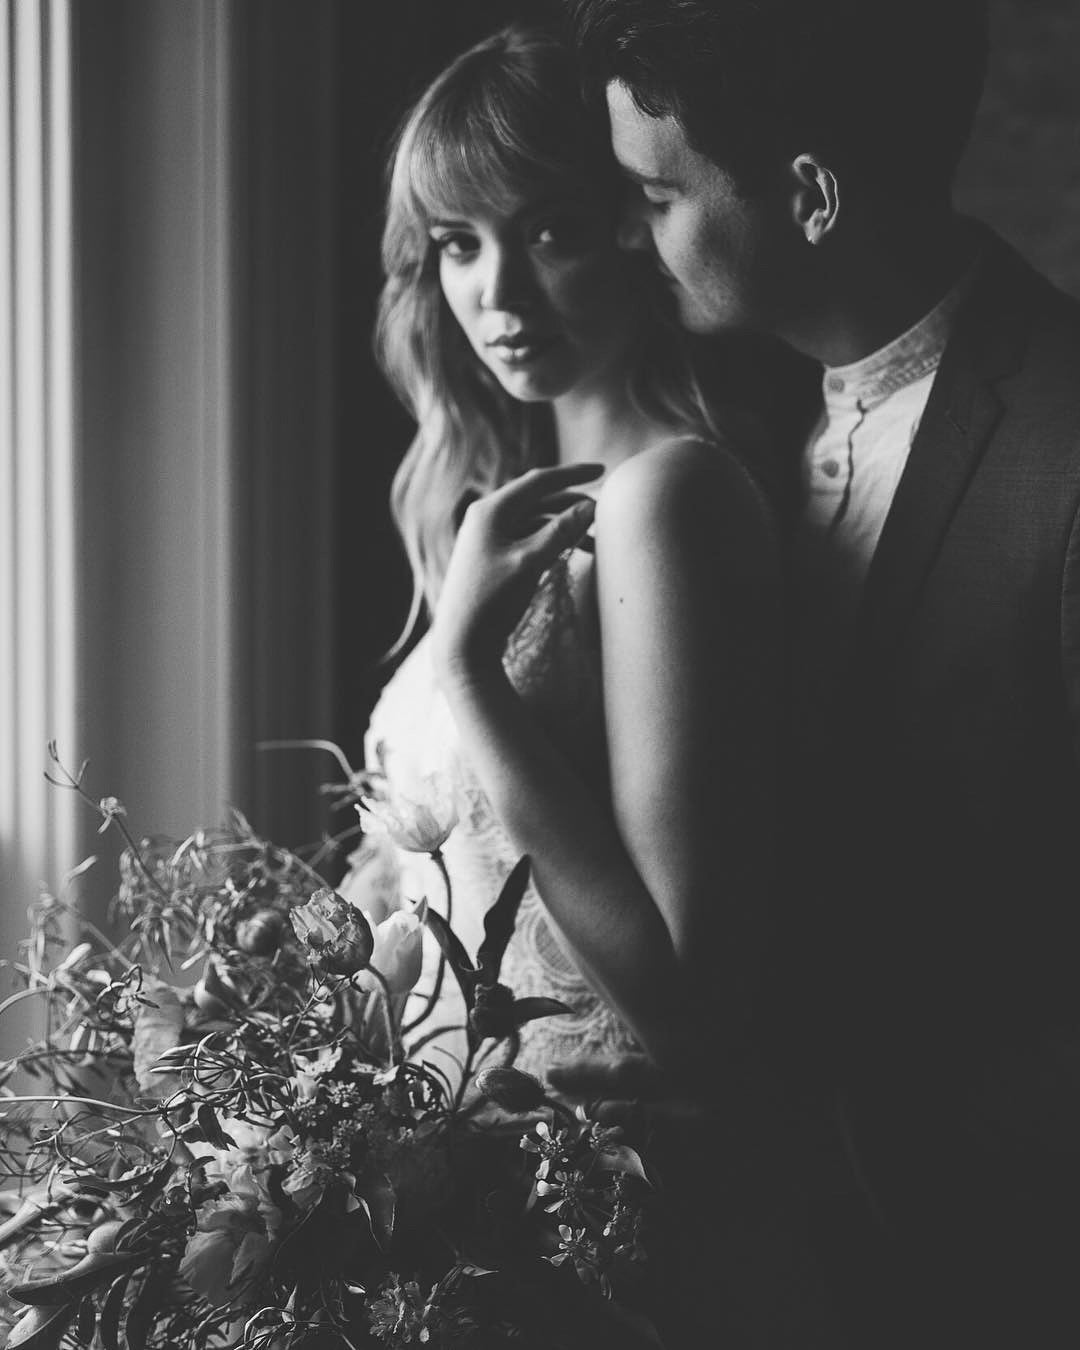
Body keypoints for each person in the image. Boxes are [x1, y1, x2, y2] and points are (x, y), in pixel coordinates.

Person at [566, 0, 1080, 1344]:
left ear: (808, 195)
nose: (634, 233)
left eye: (659, 192)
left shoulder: (1068, 449)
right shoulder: (725, 418)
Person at [355, 21, 844, 1346]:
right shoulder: (485, 512)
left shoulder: (668, 498)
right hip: (460, 1209)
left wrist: (467, 668)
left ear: (633, 227)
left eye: (550, 231)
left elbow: (683, 1000)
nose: (498, 292)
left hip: (613, 1228)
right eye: (458, 244)